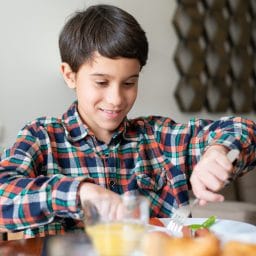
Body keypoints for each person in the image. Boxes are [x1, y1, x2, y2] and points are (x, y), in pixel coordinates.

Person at [0, 4, 256, 239]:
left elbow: (242, 129)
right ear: (70, 75)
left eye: (129, 83)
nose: (116, 99)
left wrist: (217, 151)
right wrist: (79, 193)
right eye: (101, 82)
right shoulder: (42, 138)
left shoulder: (160, 138)